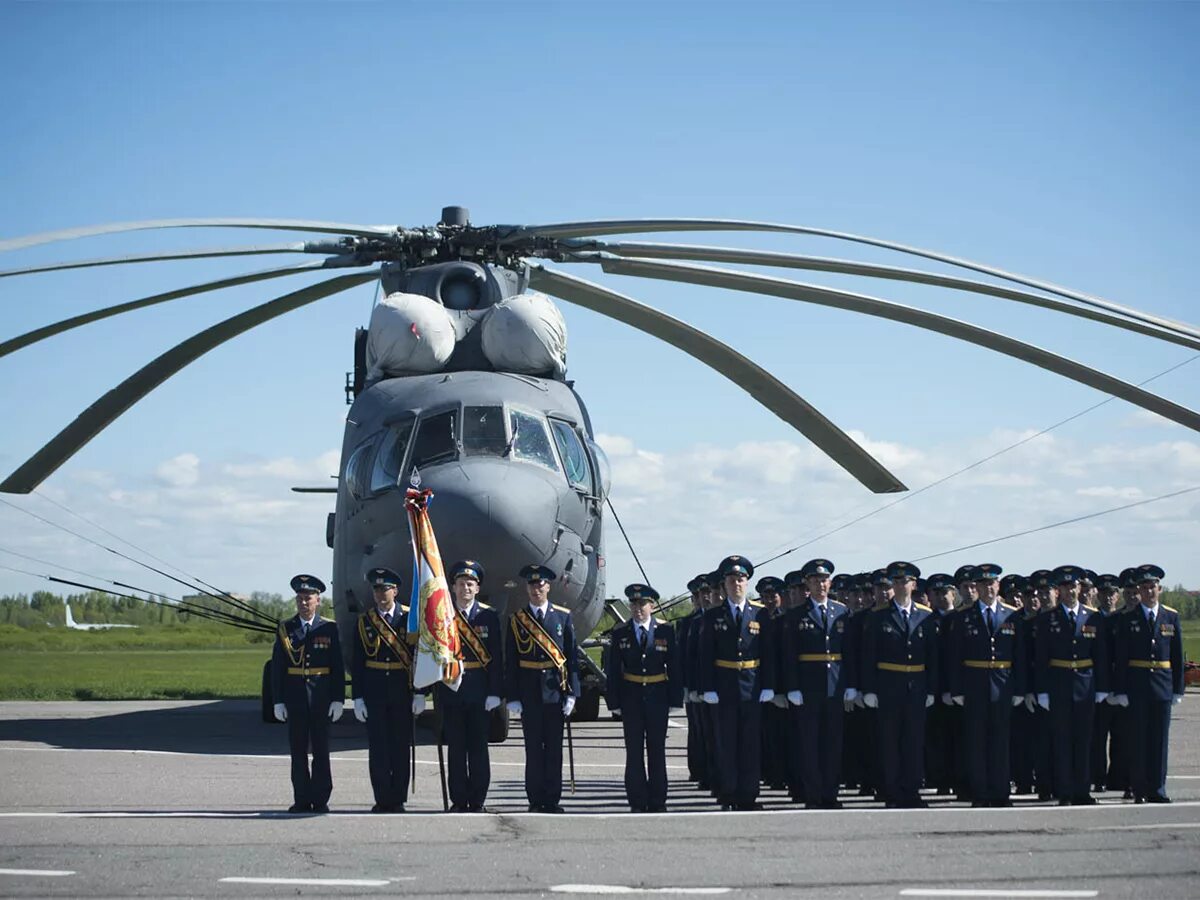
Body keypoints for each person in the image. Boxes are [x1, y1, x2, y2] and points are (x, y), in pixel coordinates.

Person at [697, 555, 775, 810]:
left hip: (752, 686)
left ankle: (748, 794)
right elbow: (705, 655)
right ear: (725, 584)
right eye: (732, 580)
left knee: (751, 745)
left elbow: (769, 653)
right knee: (725, 743)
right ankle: (728, 792)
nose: (737, 584)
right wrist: (707, 687)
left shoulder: (760, 614)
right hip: (724, 686)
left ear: (747, 582)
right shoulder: (712, 616)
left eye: (741, 579)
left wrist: (768, 685)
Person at [861, 561, 938, 808]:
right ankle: (892, 791)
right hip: (888, 684)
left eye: (905, 582)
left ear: (914, 585)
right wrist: (870, 689)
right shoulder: (878, 616)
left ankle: (911, 790)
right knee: (890, 741)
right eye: (896, 582)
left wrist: (931, 689)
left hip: (916, 684)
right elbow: (869, 655)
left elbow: (933, 656)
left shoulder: (925, 615)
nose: (901, 586)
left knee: (914, 741)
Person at [505, 564, 581, 813]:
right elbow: (512, 662)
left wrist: (572, 693)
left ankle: (552, 799)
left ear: (548, 587)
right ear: (527, 588)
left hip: (554, 693)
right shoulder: (517, 621)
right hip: (529, 694)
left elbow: (571, 659)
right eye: (532, 585)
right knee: (533, 750)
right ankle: (535, 798)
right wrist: (513, 696)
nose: (536, 589)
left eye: (540, 585)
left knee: (554, 749)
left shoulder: (562, 617)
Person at [949, 563, 1025, 807]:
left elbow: (1020, 656)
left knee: (1001, 741)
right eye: (982, 585)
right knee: (976, 741)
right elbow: (955, 656)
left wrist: (1020, 689)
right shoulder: (964, 617)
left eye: (991, 584)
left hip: (1003, 684)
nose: (987, 588)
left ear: (998, 585)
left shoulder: (1012, 615)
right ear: (976, 588)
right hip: (974, 683)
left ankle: (1000, 791)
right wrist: (957, 689)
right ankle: (980, 792)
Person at [605, 584, 683, 812]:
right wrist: (614, 702)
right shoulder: (620, 632)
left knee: (657, 750)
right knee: (634, 751)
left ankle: (658, 800)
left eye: (642, 604)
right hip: (631, 697)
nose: (637, 609)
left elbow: (675, 667)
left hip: (657, 695)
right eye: (633, 604)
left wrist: (675, 700)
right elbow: (613, 671)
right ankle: (637, 800)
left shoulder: (665, 631)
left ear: (651, 606)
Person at [1034, 565, 1109, 805]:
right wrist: (1043, 690)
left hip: (1085, 686)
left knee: (1084, 741)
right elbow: (1041, 657)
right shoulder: (1048, 619)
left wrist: (1102, 688)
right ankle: (1065, 791)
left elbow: (1102, 655)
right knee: (1062, 742)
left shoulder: (1093, 616)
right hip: (1058, 685)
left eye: (1074, 586)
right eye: (1065, 587)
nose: (1070, 591)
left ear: (1080, 588)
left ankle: (1082, 791)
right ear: (1059, 591)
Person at [271, 574, 345, 814]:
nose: (304, 603)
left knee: (321, 751)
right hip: (295, 698)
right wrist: (278, 700)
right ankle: (302, 798)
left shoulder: (329, 628)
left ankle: (321, 798)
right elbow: (278, 668)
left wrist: (338, 698)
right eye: (300, 598)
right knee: (298, 751)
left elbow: (336, 666)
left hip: (321, 697)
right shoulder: (286, 628)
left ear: (318, 601)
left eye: (308, 598)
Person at [1111, 564, 1185, 803]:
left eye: (1152, 587)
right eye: (1144, 587)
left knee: (1159, 741)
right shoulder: (1128, 618)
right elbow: (1121, 657)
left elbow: (1176, 654)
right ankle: (1140, 789)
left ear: (1159, 589)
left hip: (1162, 686)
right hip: (1137, 686)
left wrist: (1178, 688)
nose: (1148, 591)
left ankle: (1158, 789)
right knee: (1138, 741)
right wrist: (1120, 689)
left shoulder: (1170, 616)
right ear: (1139, 591)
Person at [351, 567, 419, 813]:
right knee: (378, 747)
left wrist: (421, 692)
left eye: (386, 589)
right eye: (377, 589)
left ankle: (398, 797)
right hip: (375, 690)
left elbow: (420, 657)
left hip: (402, 689)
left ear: (396, 591)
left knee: (400, 747)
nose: (381, 594)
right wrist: (357, 696)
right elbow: (358, 662)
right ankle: (382, 797)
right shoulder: (364, 621)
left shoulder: (410, 619)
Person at [783, 558, 849, 809]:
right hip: (807, 687)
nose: (820, 584)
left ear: (830, 583)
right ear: (807, 585)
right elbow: (789, 654)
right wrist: (792, 686)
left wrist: (850, 684)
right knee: (809, 744)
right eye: (815, 580)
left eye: (824, 580)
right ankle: (812, 794)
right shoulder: (796, 614)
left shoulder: (841, 611)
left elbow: (849, 651)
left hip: (835, 686)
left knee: (833, 743)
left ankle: (830, 793)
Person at [438, 560, 502, 812]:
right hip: (452, 689)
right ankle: (458, 799)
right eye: (461, 583)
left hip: (480, 691)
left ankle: (477, 799)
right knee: (455, 749)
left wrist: (496, 692)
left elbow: (496, 656)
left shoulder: (489, 616)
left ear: (477, 588)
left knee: (478, 749)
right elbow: (435, 653)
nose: (465, 588)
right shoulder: (443, 616)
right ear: (453, 587)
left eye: (470, 584)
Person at [756, 575, 790, 791]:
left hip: (783, 685)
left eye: (774, 595)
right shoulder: (757, 618)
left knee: (783, 734)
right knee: (764, 734)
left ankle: (781, 773)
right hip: (760, 685)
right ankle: (768, 772)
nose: (770, 599)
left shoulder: (787, 619)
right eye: (766, 595)